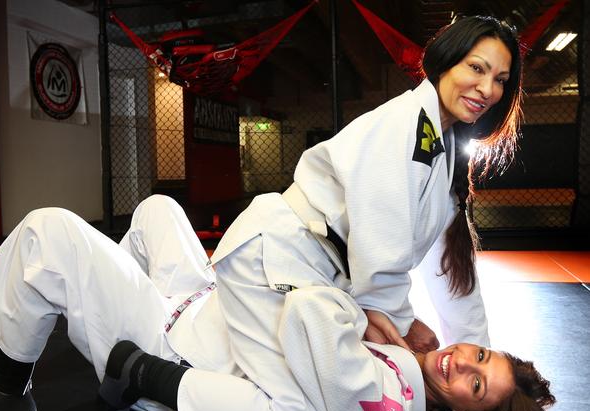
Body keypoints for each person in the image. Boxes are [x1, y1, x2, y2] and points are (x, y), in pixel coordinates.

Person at [0, 196, 554, 411]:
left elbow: (314, 325)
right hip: (205, 304)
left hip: (173, 344)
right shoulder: (406, 355)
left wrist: (361, 306)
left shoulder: (393, 400)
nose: (461, 363)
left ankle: (9, 391)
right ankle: (88, 316)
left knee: (51, 229)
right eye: (477, 354)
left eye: (475, 385)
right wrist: (388, 319)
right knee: (158, 210)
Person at [209, 14, 524, 359]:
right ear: (445, 63)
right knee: (299, 410)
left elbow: (449, 268)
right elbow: (377, 256)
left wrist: (482, 357)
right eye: (477, 68)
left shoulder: (441, 144)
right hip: (275, 262)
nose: (488, 89)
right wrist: (403, 322)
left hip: (320, 273)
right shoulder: (405, 127)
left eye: (500, 80)